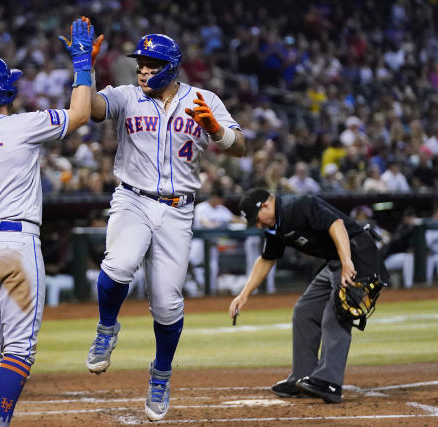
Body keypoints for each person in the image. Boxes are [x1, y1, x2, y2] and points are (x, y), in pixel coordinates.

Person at [83, 27, 245, 421]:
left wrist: (217, 131)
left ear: (170, 68)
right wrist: (83, 68)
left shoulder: (204, 99)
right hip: (133, 197)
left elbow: (241, 146)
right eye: (139, 63)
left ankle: (161, 374)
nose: (141, 70)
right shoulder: (126, 95)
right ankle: (106, 328)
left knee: (167, 306)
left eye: (150, 64)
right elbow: (92, 108)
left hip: (178, 210)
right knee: (119, 266)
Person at [0, 18, 92, 426]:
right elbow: (80, 114)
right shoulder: (21, 125)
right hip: (17, 244)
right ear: (4, 92)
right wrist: (82, 64)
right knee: (19, 350)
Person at [229, 188, 389, 403]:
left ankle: (329, 381)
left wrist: (346, 261)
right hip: (336, 262)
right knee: (304, 311)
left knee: (337, 313)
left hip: (356, 256)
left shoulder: (298, 206)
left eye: (257, 219)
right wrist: (244, 295)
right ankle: (302, 377)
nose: (258, 225)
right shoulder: (276, 225)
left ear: (266, 205)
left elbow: (337, 224)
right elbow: (267, 259)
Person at [383, 207, 417, 289]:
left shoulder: (414, 229)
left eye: (411, 217)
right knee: (408, 257)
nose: (410, 219)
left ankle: (409, 286)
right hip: (386, 260)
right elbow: (396, 241)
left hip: (397, 259)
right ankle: (408, 287)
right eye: (408, 217)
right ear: (404, 218)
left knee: (408, 257)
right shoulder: (401, 228)